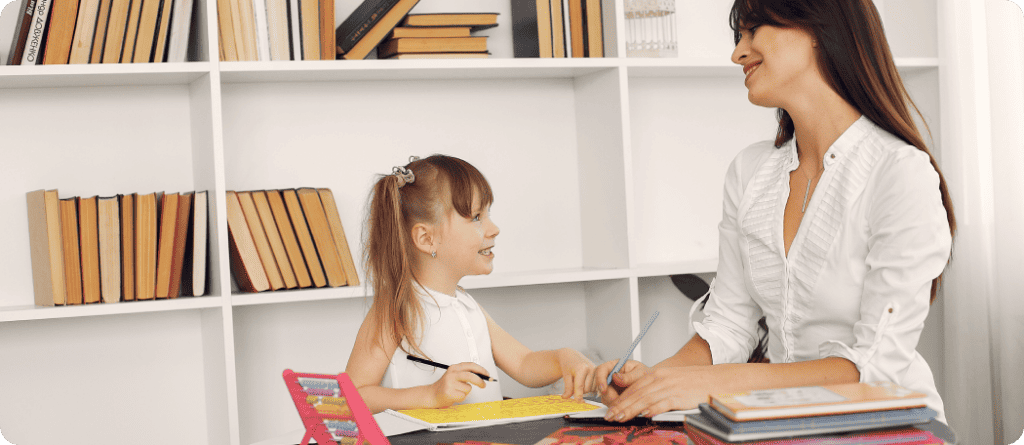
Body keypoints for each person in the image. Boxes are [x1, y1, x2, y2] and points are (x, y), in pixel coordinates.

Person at [595, 0, 955, 424]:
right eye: (738, 37)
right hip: (779, 423)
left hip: (887, 424)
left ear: (819, 27)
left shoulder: (899, 173)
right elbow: (729, 324)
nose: (738, 53)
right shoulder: (750, 172)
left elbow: (873, 368)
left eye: (752, 30)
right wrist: (654, 381)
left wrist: (714, 384)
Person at [345, 154, 596, 413]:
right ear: (426, 238)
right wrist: (429, 394)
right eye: (476, 217)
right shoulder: (394, 310)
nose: (494, 228)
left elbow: (524, 364)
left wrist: (563, 358)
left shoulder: (468, 306)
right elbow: (353, 397)